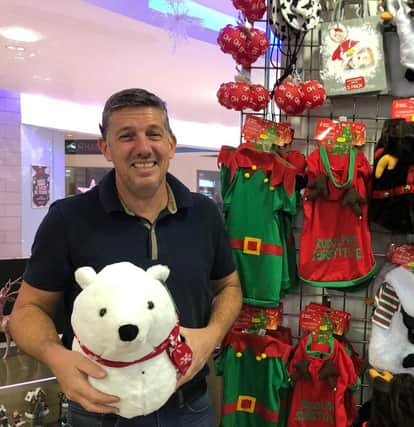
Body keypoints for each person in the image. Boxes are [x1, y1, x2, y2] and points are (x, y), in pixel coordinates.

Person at [10, 88, 242, 426]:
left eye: (153, 134)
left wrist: (212, 334)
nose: (143, 148)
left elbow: (229, 286)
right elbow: (28, 310)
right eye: (126, 136)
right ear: (106, 147)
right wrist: (55, 356)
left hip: (188, 408)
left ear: (171, 144)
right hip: (100, 410)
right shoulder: (67, 219)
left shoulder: (204, 214)